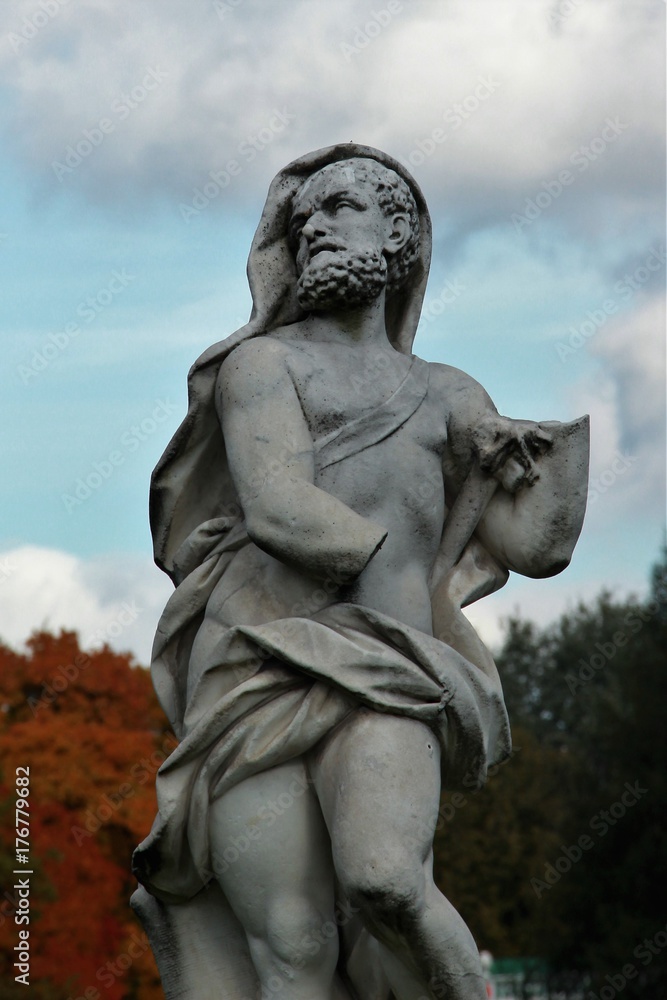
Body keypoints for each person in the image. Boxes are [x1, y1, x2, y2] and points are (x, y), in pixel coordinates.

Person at [132, 144, 588, 1000]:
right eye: (302, 219)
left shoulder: (451, 393)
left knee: (384, 879)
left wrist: (533, 466)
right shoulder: (262, 366)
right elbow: (275, 505)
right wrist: (391, 565)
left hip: (393, 665)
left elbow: (535, 547)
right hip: (256, 660)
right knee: (292, 947)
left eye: (339, 206)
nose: (314, 225)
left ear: (399, 232)